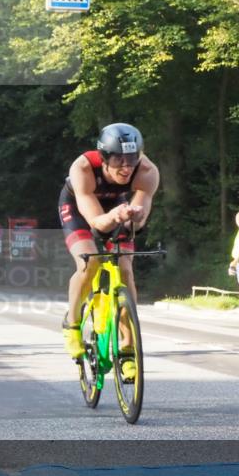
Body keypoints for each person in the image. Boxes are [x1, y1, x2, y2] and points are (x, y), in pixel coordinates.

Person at [58, 123, 160, 378]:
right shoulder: (82, 169)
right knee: (89, 263)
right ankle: (72, 324)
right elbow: (97, 223)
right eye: (118, 161)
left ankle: (127, 350)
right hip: (81, 208)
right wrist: (114, 216)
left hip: (119, 206)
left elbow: (140, 216)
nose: (126, 167)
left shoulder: (147, 171)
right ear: (104, 158)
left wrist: (135, 216)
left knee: (125, 269)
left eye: (132, 159)